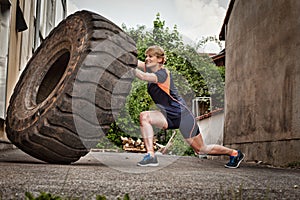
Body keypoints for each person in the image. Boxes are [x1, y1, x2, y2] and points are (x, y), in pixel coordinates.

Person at [134, 45, 244, 168]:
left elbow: (143, 76)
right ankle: (151, 156)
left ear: (159, 59)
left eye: (150, 56)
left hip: (182, 116)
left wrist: (126, 69)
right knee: (144, 116)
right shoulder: (150, 69)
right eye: (146, 56)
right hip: (167, 115)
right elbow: (134, 62)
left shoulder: (162, 74)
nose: (147, 59)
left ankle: (234, 153)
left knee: (201, 149)